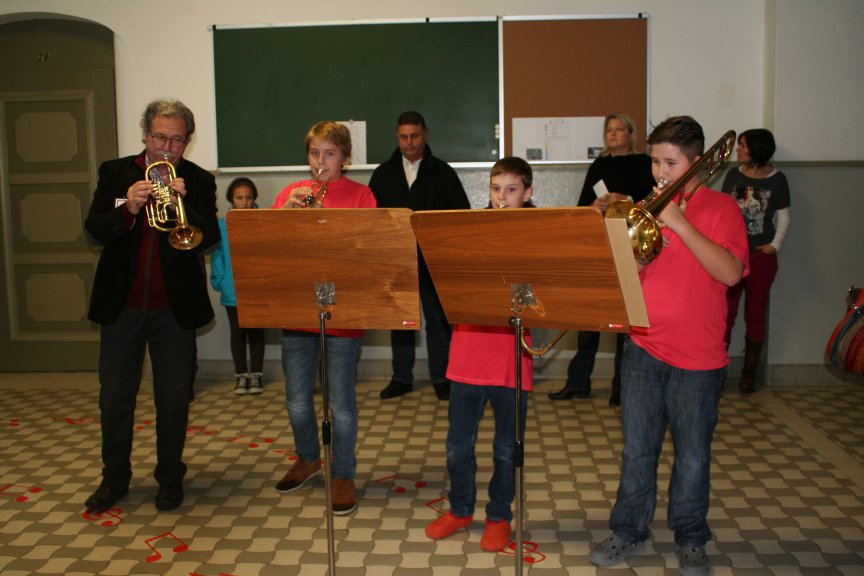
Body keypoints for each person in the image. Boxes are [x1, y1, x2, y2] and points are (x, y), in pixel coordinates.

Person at [588, 116, 749, 576]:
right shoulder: (646, 207)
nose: (659, 172)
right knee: (637, 451)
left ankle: (692, 538)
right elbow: (629, 275)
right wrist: (630, 255)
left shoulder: (722, 208)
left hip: (698, 358)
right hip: (643, 348)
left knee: (693, 457)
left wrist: (678, 222)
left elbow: (730, 273)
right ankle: (628, 530)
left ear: (697, 163)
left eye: (670, 163)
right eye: (655, 161)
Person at [83, 99, 219, 513]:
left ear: (187, 142)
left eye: (177, 140)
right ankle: (114, 479)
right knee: (115, 399)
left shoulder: (197, 179)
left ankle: (170, 478)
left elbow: (209, 240)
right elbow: (94, 231)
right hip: (121, 307)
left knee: (174, 400)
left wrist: (185, 204)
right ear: (145, 135)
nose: (167, 147)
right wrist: (128, 207)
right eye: (161, 137)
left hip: (174, 311)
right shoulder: (115, 173)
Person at [424, 156, 536, 552]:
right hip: (467, 358)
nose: (501, 197)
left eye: (511, 190)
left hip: (510, 363)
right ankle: (460, 510)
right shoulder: (470, 231)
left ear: (527, 193)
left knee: (506, 450)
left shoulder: (538, 235)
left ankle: (499, 516)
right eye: (495, 189)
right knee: (457, 446)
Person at [270, 121, 376, 516]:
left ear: (345, 159)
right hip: (297, 309)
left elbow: (366, 250)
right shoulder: (290, 193)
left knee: (341, 403)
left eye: (329, 154)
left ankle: (343, 473)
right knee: (297, 400)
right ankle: (308, 458)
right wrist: (286, 214)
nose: (321, 161)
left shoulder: (362, 195)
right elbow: (270, 248)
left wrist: (326, 220)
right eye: (315, 153)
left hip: (343, 313)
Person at [549, 113, 655, 406]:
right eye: (609, 129)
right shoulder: (599, 165)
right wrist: (594, 205)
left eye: (619, 129)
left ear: (631, 134)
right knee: (589, 318)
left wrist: (627, 199)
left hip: (631, 243)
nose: (613, 134)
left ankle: (621, 387)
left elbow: (654, 203)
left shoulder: (644, 163)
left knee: (625, 321)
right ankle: (578, 382)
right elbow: (582, 205)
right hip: (601, 242)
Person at [370, 111, 471, 401]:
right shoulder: (383, 174)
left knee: (438, 321)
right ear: (397, 137)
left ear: (425, 134)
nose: (410, 142)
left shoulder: (443, 172)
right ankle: (401, 378)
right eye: (404, 137)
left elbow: (460, 215)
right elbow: (372, 220)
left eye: (414, 136)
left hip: (433, 261)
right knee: (401, 321)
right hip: (398, 261)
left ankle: (442, 377)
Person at [721, 129, 791, 394]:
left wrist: (774, 246)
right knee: (725, 313)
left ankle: (749, 373)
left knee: (755, 312)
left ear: (757, 149)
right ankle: (717, 367)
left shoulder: (778, 180)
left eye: (743, 145)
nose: (738, 150)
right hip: (732, 255)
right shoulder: (733, 175)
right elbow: (722, 211)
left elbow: (783, 217)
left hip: (761, 256)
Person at [210, 177, 266, 396]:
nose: (244, 202)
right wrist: (220, 281)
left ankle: (257, 375)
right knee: (238, 332)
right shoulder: (222, 225)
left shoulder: (262, 222)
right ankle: (241, 375)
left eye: (248, 198)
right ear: (232, 200)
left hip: (257, 288)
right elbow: (218, 257)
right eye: (240, 198)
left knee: (257, 332)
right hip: (232, 288)